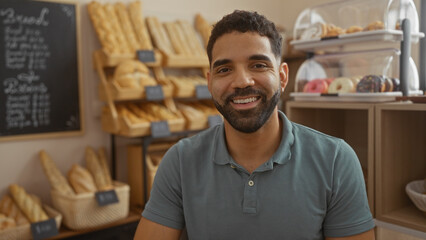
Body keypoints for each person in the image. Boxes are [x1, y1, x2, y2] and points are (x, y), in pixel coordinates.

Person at [134, 10, 375, 240]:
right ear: (210, 82)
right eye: (225, 69)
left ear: (282, 76)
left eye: (258, 65)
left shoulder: (336, 160)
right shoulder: (180, 162)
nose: (241, 81)